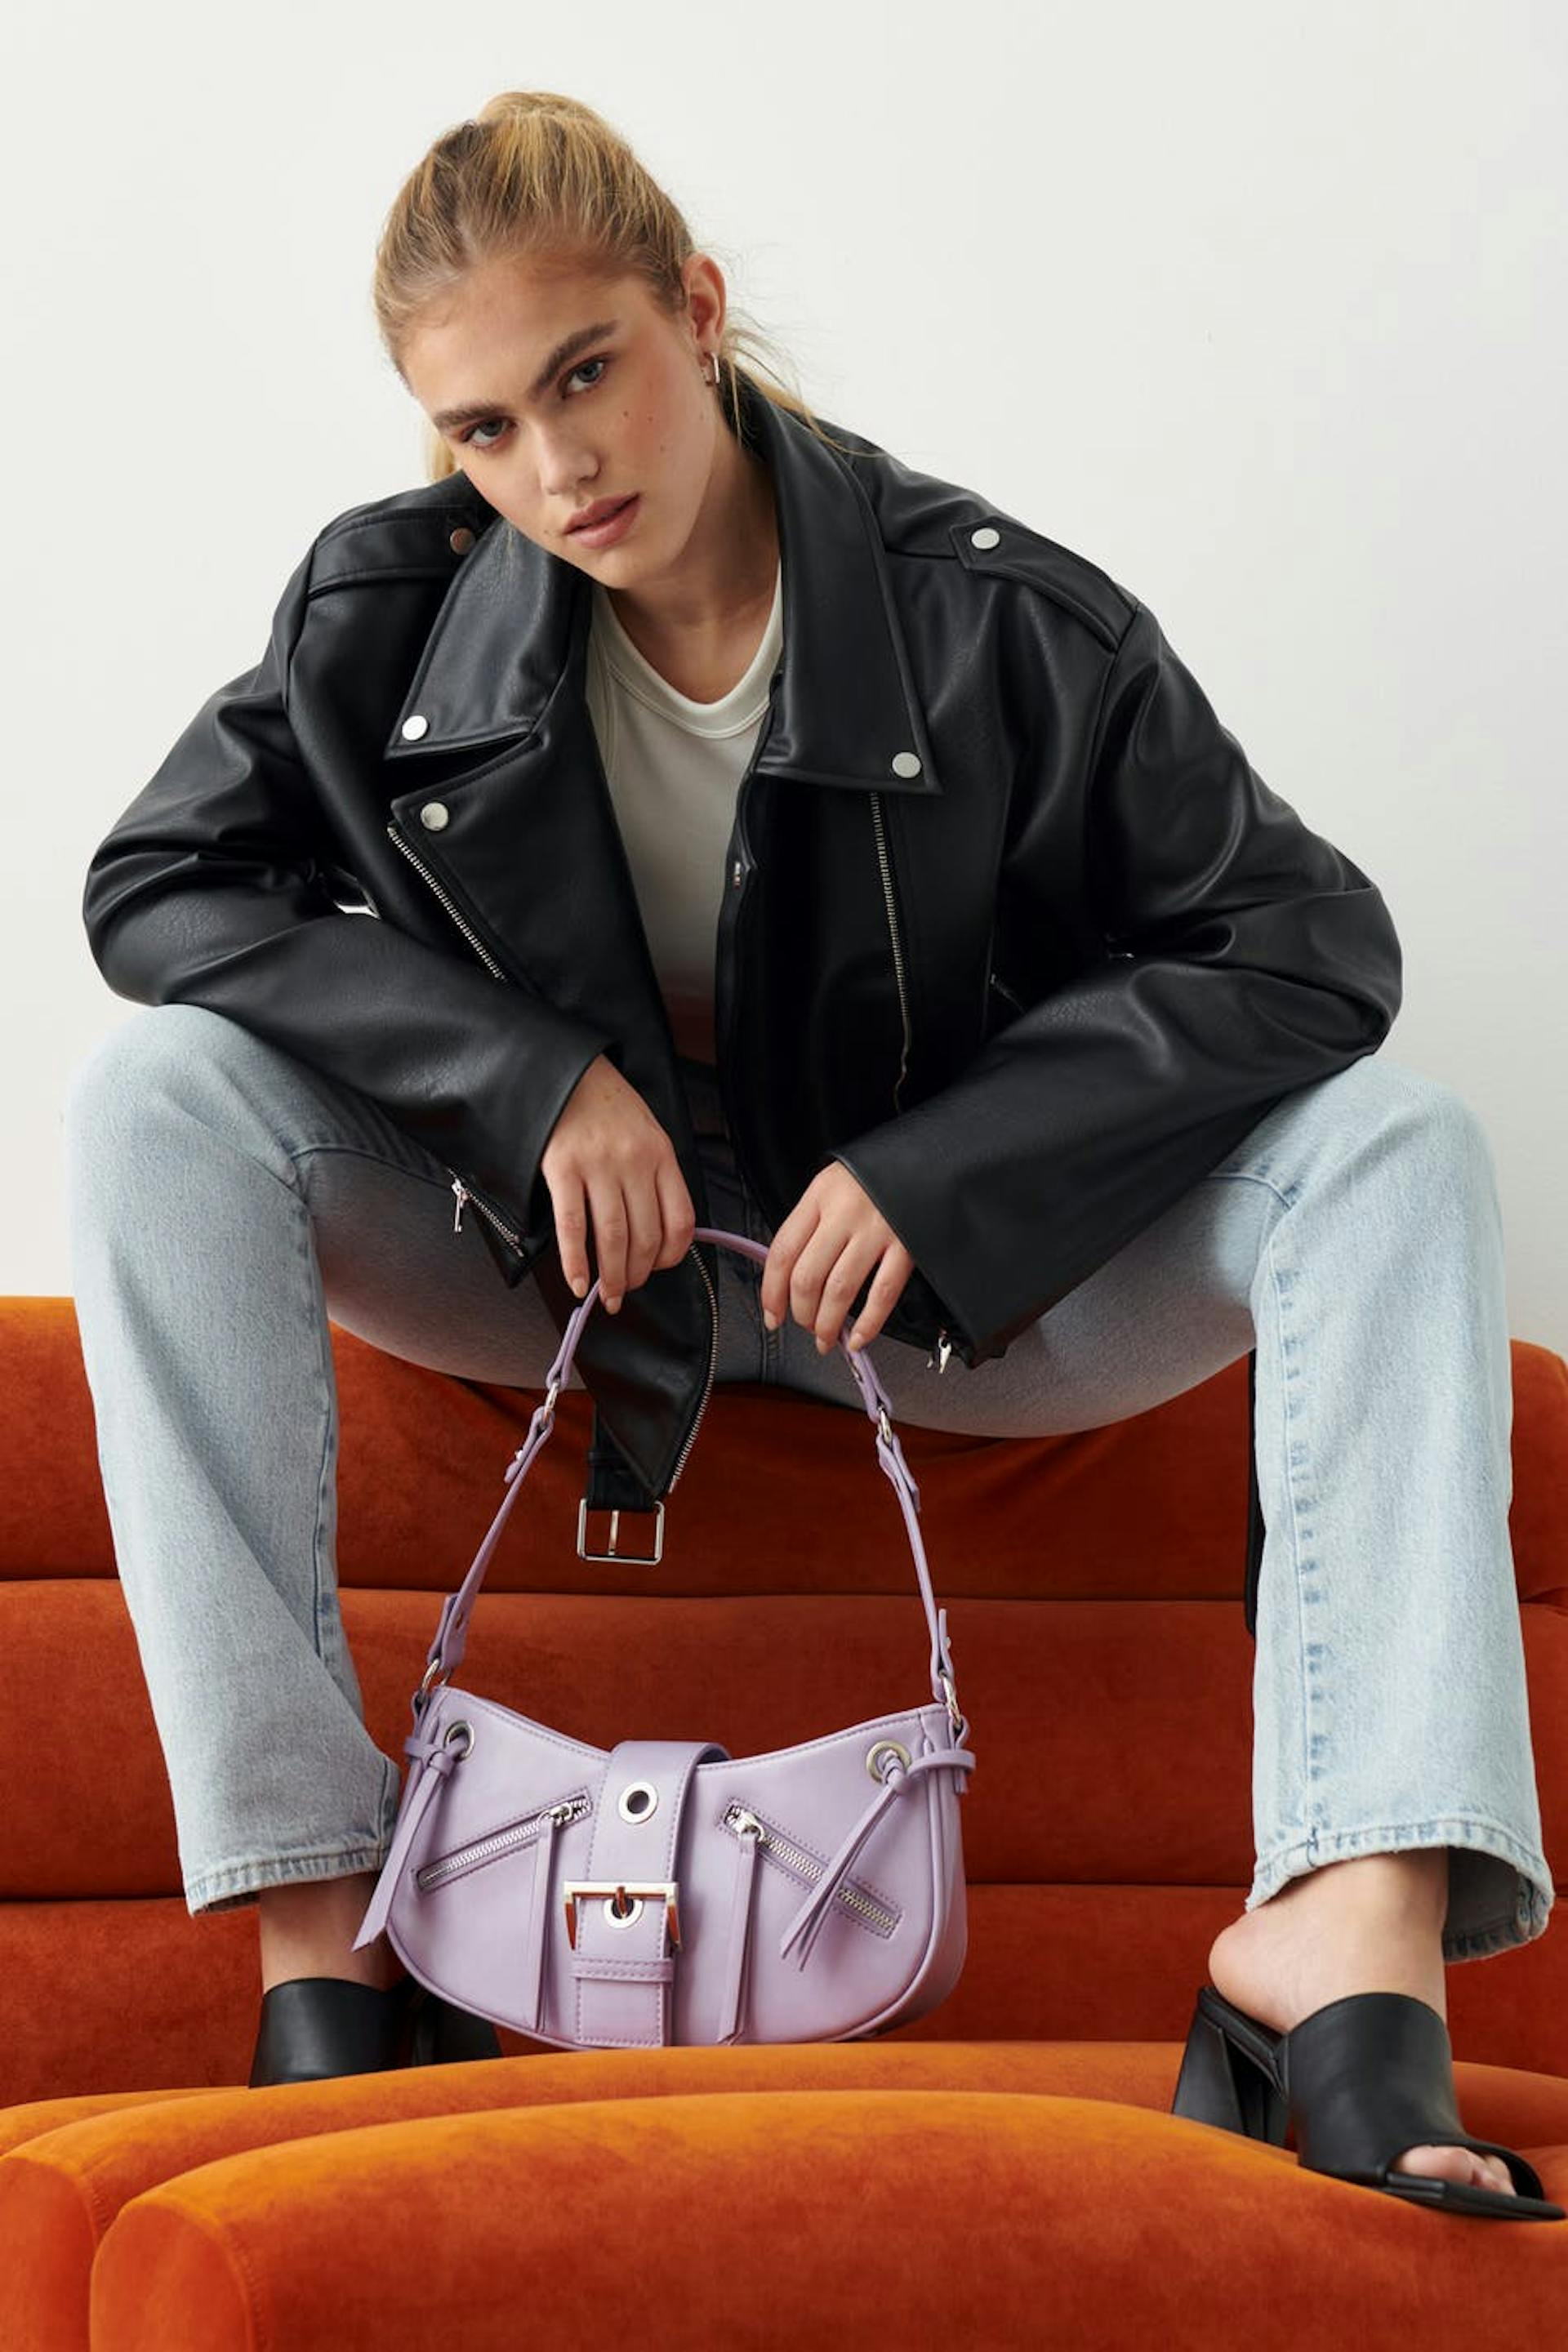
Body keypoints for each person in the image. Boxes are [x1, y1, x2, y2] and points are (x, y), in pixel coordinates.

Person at [62, 91, 1557, 2213]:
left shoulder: (995, 622)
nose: (555, 466)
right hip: (569, 1277)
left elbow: (1310, 944)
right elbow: (159, 888)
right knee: (153, 1102)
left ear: (696, 309)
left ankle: (1345, 1947)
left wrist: (954, 1169)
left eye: (587, 372)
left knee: (1396, 1144)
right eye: (484, 427)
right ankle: (332, 1934)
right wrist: (526, 1081)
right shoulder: (387, 617)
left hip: (947, 1306)